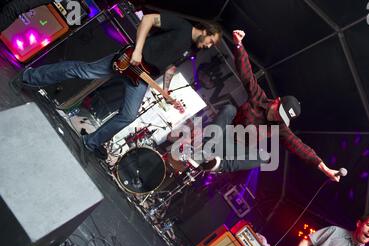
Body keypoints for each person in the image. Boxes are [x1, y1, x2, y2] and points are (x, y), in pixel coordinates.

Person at [11, 11, 222, 159]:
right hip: (129, 60)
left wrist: (165, 89)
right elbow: (148, 19)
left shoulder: (191, 50)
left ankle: (91, 142)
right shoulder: (181, 26)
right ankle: (29, 77)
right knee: (82, 71)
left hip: (141, 77)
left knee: (129, 115)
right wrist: (138, 50)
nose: (209, 46)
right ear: (206, 30)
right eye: (211, 41)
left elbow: (169, 68)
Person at [198, 30, 339, 182]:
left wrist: (324, 168)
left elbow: (300, 147)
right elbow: (247, 74)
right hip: (223, 134)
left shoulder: (280, 127)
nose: (278, 118)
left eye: (282, 118)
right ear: (276, 101)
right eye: (279, 113)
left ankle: (218, 165)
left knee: (264, 156)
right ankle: (205, 150)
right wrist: (239, 45)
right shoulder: (258, 97)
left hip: (237, 150)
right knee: (229, 109)